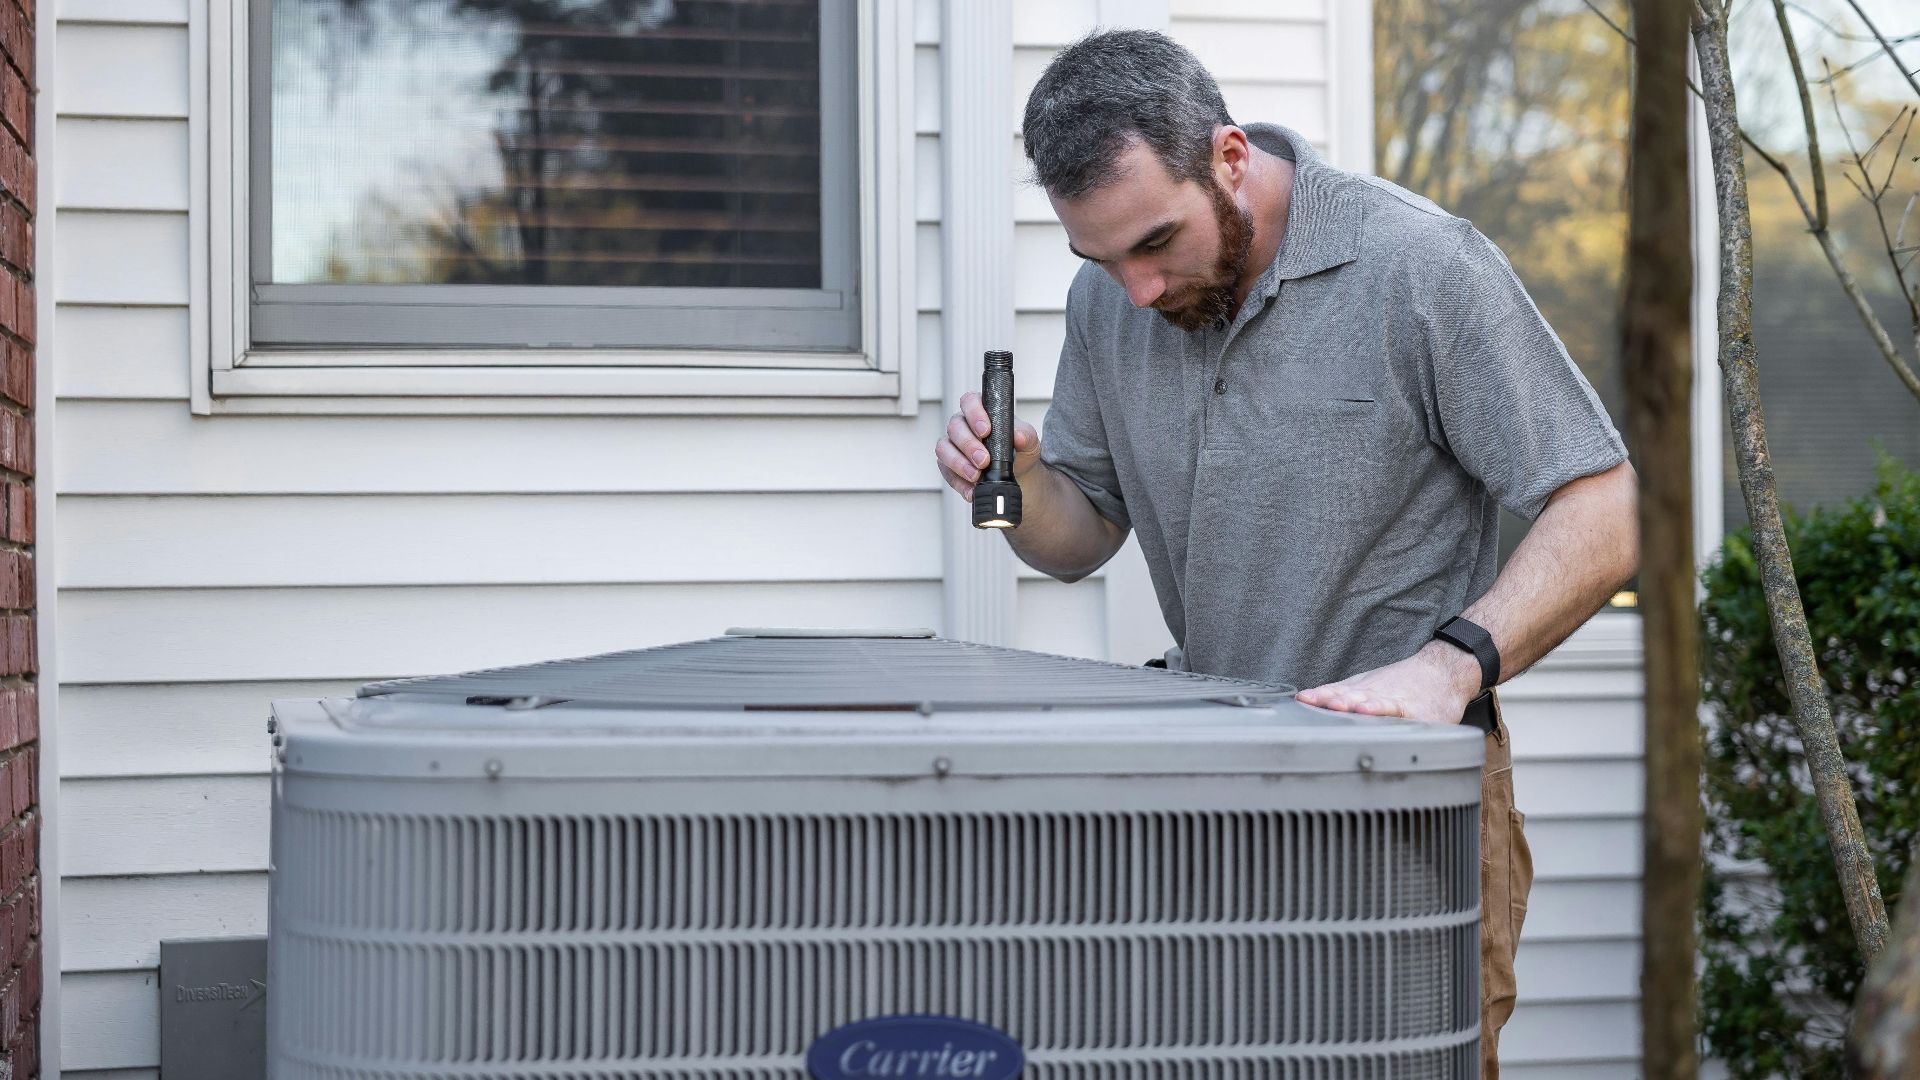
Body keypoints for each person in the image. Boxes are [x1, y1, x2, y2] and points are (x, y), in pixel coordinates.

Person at [932, 29, 1639, 1076]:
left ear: (1227, 157)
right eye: (1102, 258)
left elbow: (1607, 504)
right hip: (1213, 788)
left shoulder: (1420, 266)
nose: (1135, 288)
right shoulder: (1111, 301)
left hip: (1402, 797)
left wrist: (1450, 668)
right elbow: (1082, 535)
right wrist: (1022, 486)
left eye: (1156, 242)